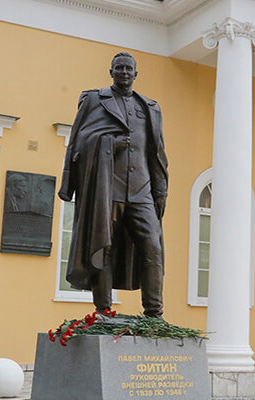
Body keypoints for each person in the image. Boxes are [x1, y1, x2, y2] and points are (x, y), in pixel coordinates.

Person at [58, 52, 168, 318]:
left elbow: (157, 151)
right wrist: (109, 144)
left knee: (153, 246)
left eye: (129, 68)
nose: (124, 72)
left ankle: (154, 314)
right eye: (119, 68)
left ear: (136, 74)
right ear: (111, 72)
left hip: (142, 190)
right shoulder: (94, 100)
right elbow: (79, 142)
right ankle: (103, 310)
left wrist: (160, 189)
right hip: (107, 189)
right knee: (103, 246)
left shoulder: (150, 107)